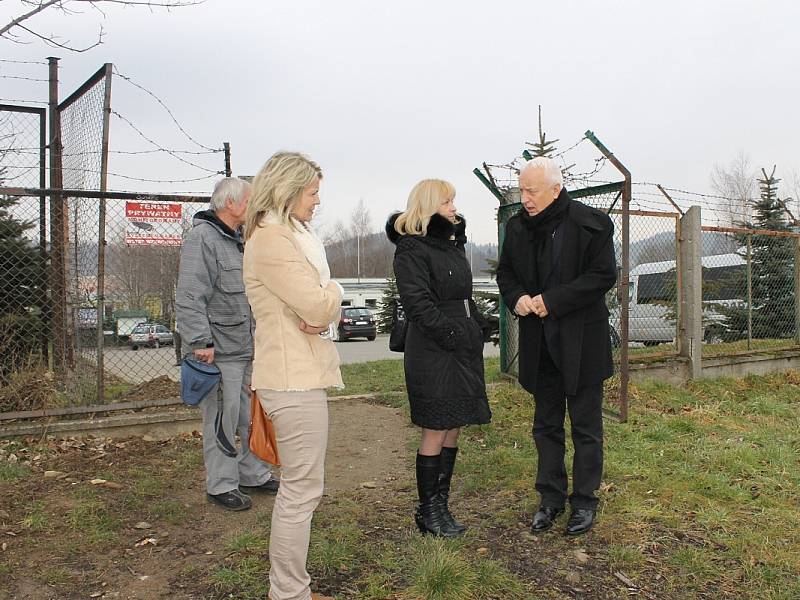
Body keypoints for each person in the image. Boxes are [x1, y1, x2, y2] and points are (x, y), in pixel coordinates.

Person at [496, 156, 617, 536]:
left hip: (582, 342)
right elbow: (506, 274)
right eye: (522, 191)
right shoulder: (517, 228)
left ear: (555, 189)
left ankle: (584, 501)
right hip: (540, 345)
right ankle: (550, 498)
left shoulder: (590, 224)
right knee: (545, 426)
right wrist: (517, 298)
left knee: (586, 427)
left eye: (531, 191)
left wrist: (553, 300)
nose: (525, 198)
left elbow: (603, 275)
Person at [243, 151, 341, 600]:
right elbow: (318, 305)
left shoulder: (286, 237)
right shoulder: (273, 240)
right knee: (300, 494)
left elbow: (315, 313)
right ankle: (288, 593)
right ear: (287, 189)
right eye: (312, 191)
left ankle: (289, 590)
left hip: (295, 377)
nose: (317, 200)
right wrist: (334, 291)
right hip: (291, 381)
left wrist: (320, 310)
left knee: (301, 491)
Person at [386, 179, 492, 538]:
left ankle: (441, 506)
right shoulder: (411, 248)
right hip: (433, 349)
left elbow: (463, 296)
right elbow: (417, 303)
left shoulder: (452, 244)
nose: (454, 207)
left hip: (460, 345)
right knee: (435, 427)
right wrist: (451, 334)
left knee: (454, 425)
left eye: (453, 201)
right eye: (446, 201)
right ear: (429, 206)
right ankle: (428, 511)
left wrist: (478, 325)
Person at [175, 177, 279, 512]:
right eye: (250, 201)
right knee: (220, 419)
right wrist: (199, 341)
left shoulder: (240, 240)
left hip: (245, 348)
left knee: (249, 417)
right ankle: (221, 485)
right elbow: (190, 295)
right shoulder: (201, 238)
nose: (254, 207)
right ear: (230, 203)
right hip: (218, 351)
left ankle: (252, 473)